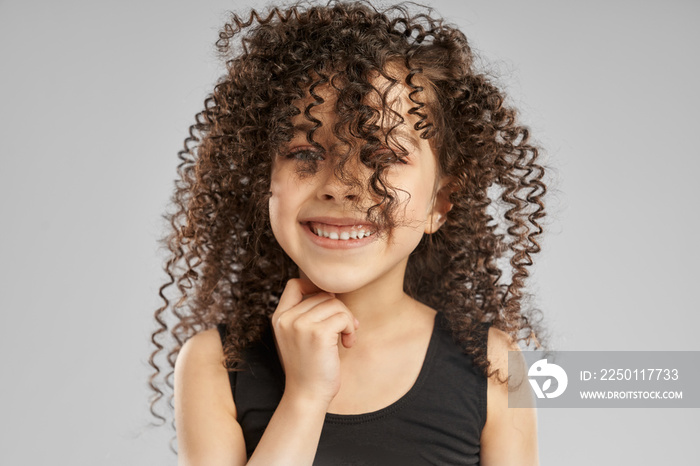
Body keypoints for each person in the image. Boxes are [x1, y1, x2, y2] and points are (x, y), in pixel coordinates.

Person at [149, 1, 547, 464]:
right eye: (304, 151)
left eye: (381, 156)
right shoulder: (213, 363)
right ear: (265, 182)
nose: (340, 185)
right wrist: (305, 397)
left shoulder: (498, 363)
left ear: (440, 203)